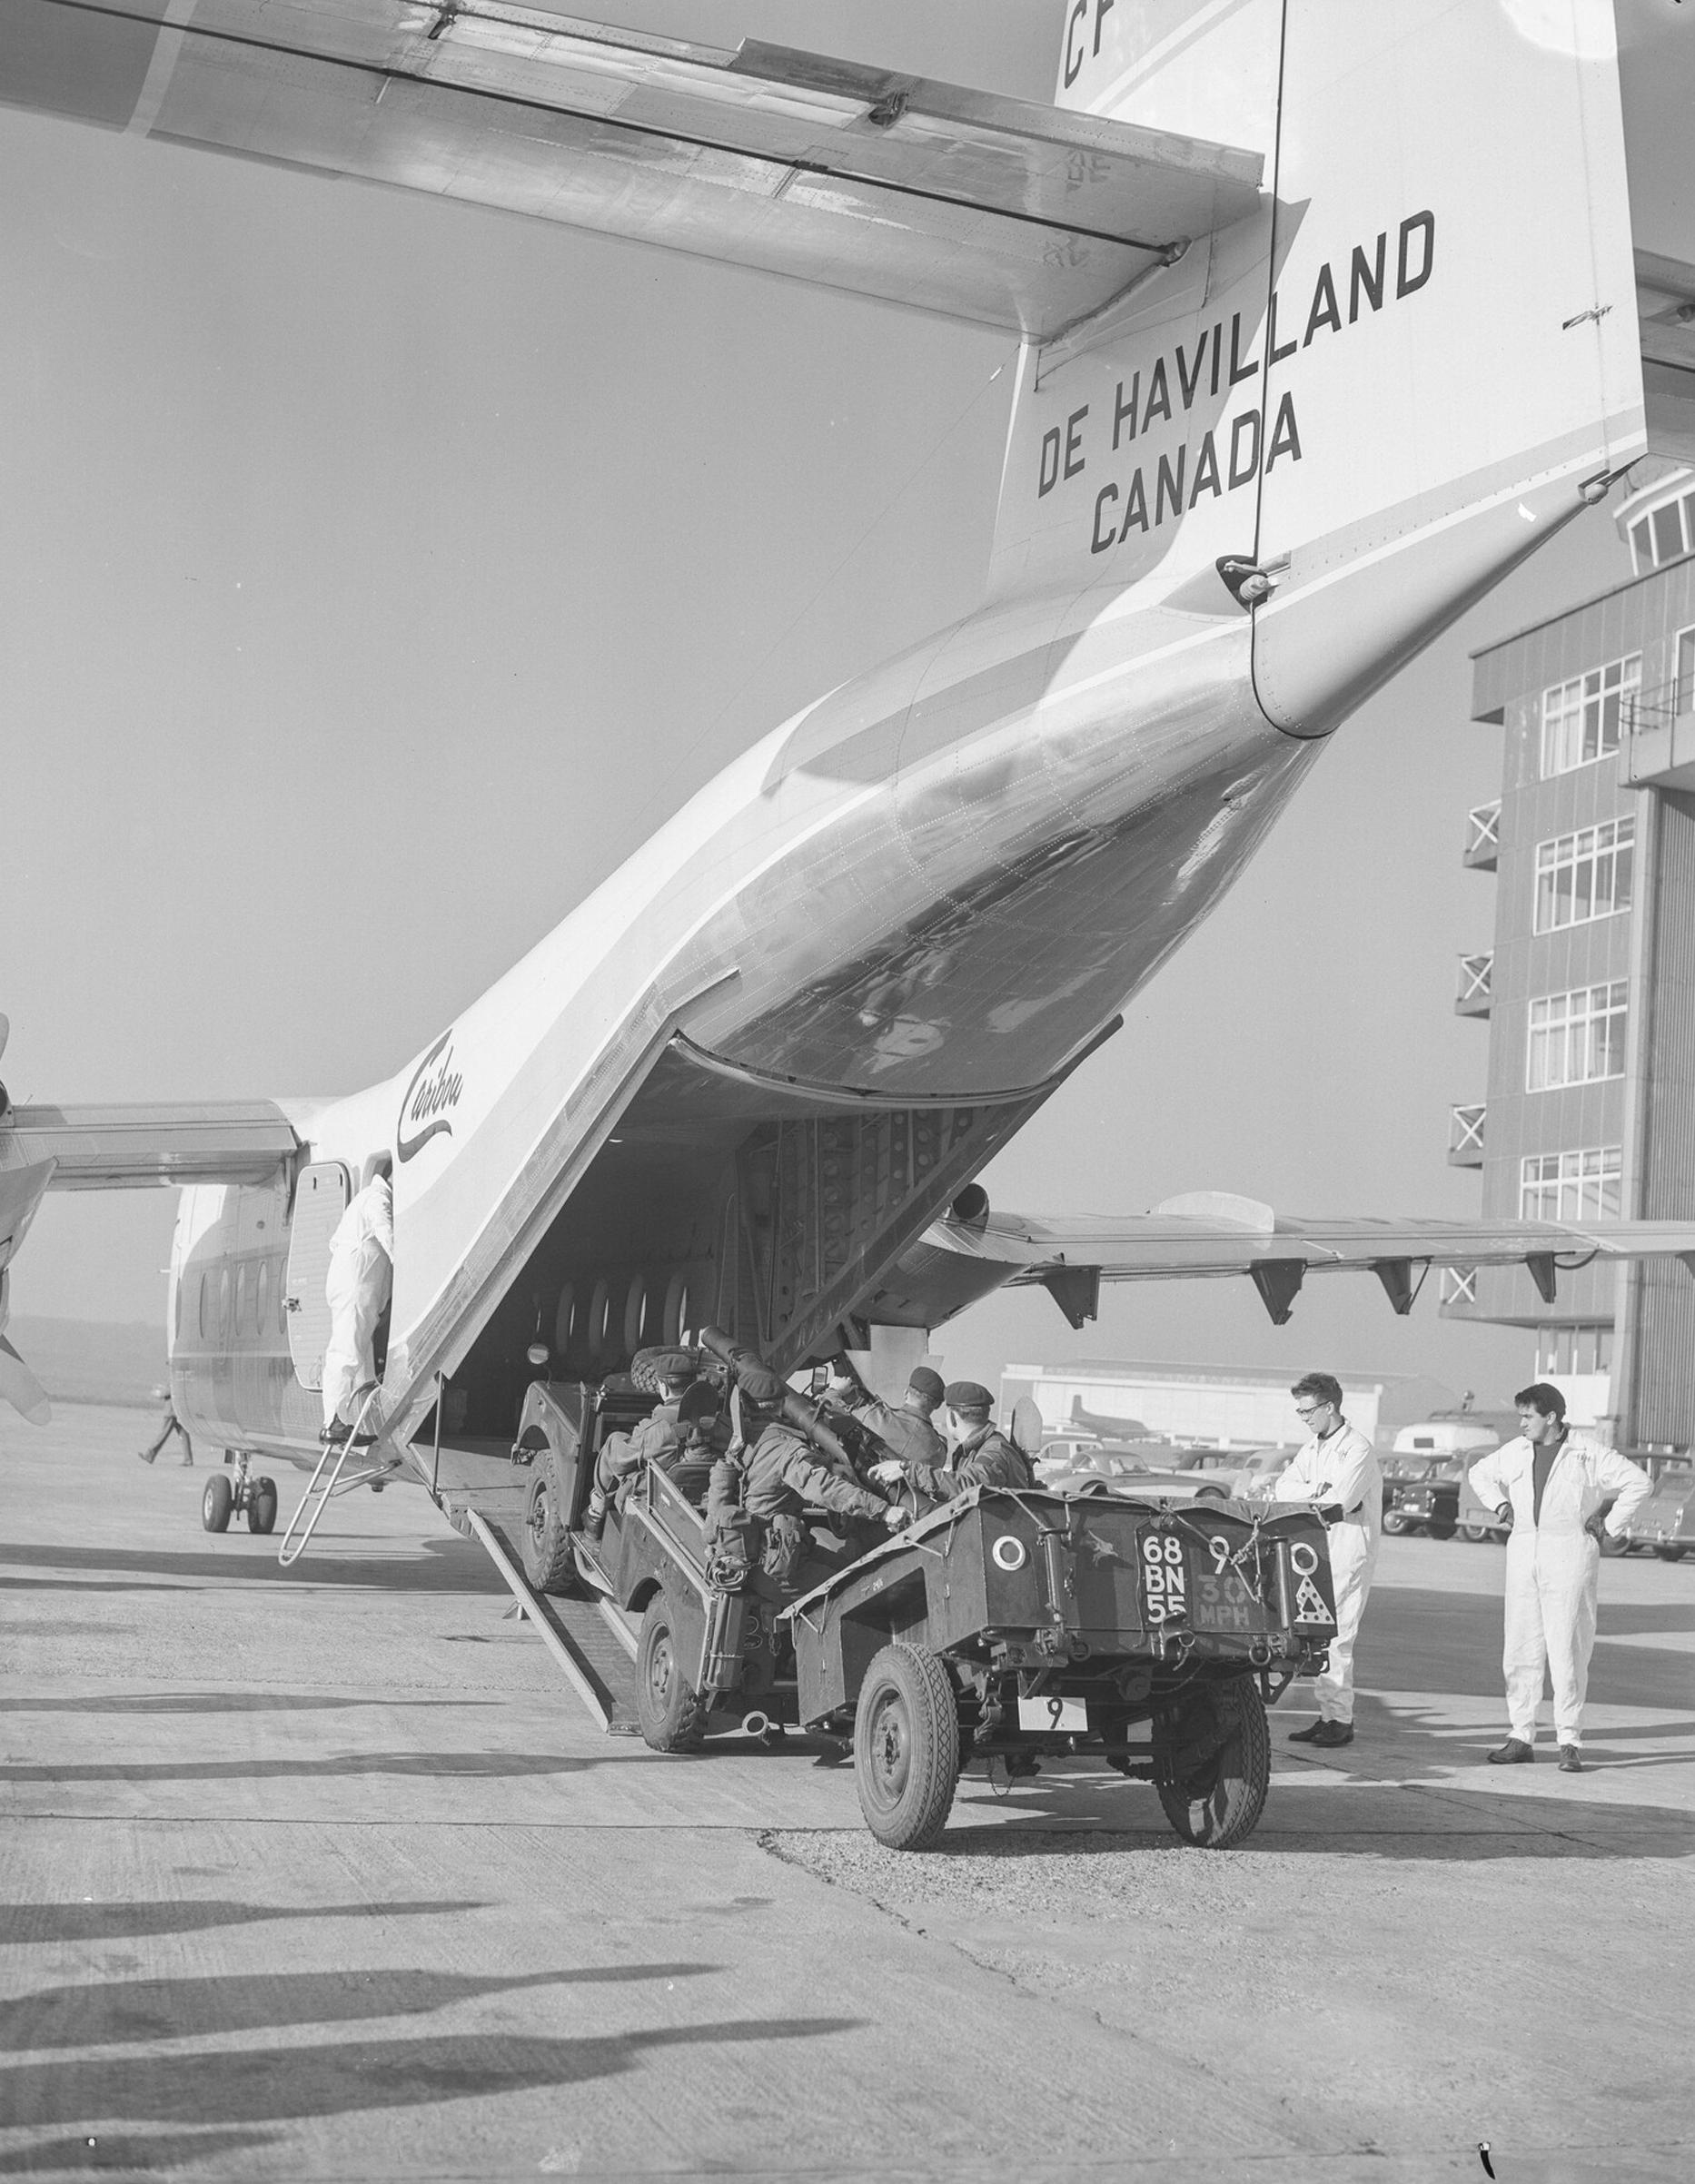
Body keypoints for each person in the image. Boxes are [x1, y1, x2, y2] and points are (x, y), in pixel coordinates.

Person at [1468, 1383, 1650, 1772]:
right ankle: (1521, 1734)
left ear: (1551, 1417)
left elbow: (1639, 1481)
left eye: (1527, 1416)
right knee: (1519, 1648)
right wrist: (1501, 1505)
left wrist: (1610, 1522)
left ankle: (1569, 1739)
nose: (1521, 1424)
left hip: (1569, 1554)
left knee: (1567, 1649)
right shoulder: (1515, 1451)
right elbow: (1479, 1474)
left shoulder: (1586, 1452)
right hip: (1523, 1553)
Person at [1273, 1371, 1382, 1748]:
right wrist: (1315, 1490)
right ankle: (1327, 1715)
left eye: (1307, 1411)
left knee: (1338, 1639)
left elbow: (1341, 1500)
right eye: (1300, 1411)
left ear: (1329, 1406)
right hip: (1319, 1552)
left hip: (1349, 1551)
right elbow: (1282, 1487)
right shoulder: (1313, 1449)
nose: (1303, 1418)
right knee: (1318, 1637)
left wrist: (1318, 1494)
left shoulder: (1358, 1449)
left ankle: (1341, 1720)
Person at [738, 1365, 906, 1592]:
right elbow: (823, 1489)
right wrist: (883, 1511)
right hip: (773, 1562)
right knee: (853, 1590)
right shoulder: (784, 1449)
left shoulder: (745, 1442)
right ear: (781, 1407)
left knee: (848, 1568)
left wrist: (828, 1465)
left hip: (757, 1549)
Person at [582, 1350, 699, 1537]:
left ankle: (596, 1515)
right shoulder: (713, 1421)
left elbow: (620, 1459)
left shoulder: (657, 1429)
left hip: (654, 1499)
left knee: (614, 1443)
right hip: (695, 1499)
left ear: (663, 1386)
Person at [321, 1153, 393, 1447]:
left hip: (352, 1285)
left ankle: (339, 1420)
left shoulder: (361, 1200)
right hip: (355, 1287)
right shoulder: (377, 1198)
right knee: (346, 1353)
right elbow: (386, 1234)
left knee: (353, 1352)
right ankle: (333, 1423)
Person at [869, 1379, 1034, 1503]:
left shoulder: (994, 1452)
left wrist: (907, 1470)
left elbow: (966, 1485)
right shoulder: (973, 1450)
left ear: (953, 1418)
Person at [840, 1363, 948, 1469]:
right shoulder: (939, 1451)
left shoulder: (874, 1417)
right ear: (938, 1405)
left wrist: (834, 1391)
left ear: (906, 1393)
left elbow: (838, 1414)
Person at [137, 1399, 193, 1468]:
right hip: (178, 1409)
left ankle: (150, 1454)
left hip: (172, 1411)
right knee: (183, 1435)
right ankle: (188, 1459)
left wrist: (158, 1391)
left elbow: (167, 1391)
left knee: (163, 1434)